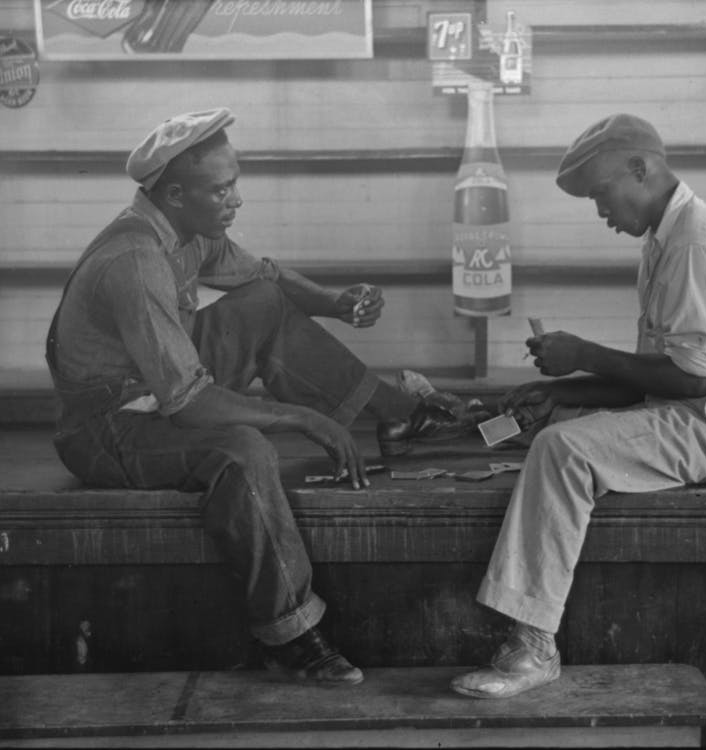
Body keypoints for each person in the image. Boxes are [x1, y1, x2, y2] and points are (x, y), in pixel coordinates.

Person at [45, 108, 481, 686]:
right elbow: (190, 404)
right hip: (107, 427)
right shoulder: (136, 260)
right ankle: (292, 633)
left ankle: (398, 416)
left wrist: (335, 302)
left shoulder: (186, 228)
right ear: (174, 194)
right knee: (244, 450)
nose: (236, 200)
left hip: (154, 390)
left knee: (261, 304)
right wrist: (303, 419)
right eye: (221, 189)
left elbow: (263, 277)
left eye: (235, 183)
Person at [450, 113, 706, 699]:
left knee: (561, 450)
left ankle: (533, 646)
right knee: (554, 424)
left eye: (602, 194)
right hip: (699, 412)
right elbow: (650, 384)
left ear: (643, 168)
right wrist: (557, 391)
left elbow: (687, 383)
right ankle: (530, 630)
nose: (602, 212)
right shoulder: (668, 239)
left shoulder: (695, 243)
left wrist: (581, 351)